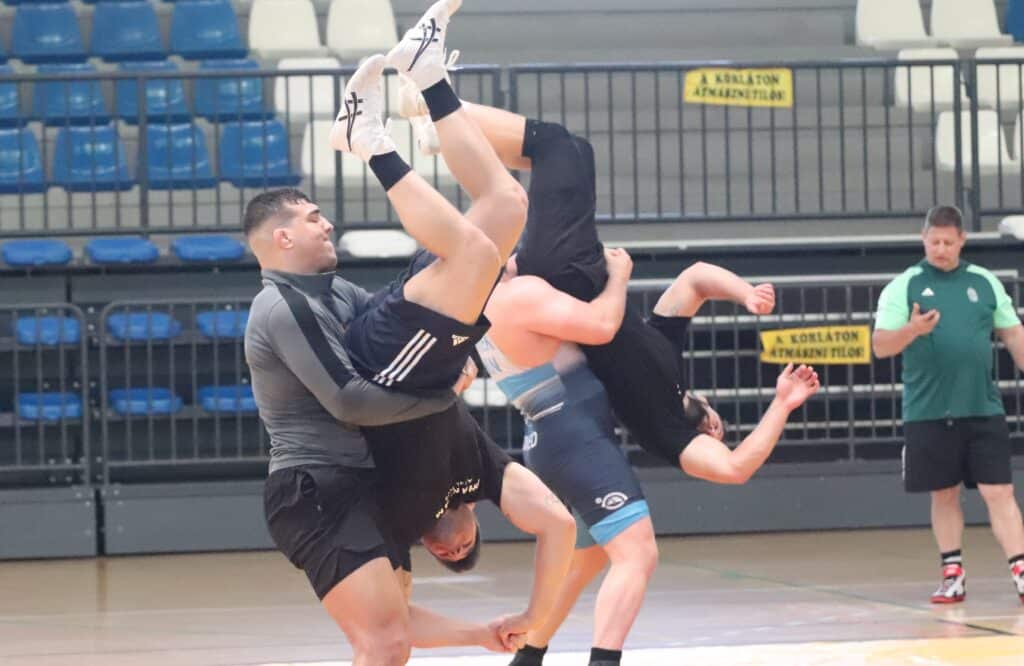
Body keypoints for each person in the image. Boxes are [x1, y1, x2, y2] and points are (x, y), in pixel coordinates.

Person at [396, 94, 821, 664]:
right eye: (719, 425)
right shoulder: (667, 365)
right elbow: (695, 279)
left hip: (569, 388)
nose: (717, 427)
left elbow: (735, 466)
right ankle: (443, 120)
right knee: (604, 555)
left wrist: (784, 401)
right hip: (566, 400)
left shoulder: (669, 428)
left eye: (715, 430)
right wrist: (745, 295)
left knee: (557, 147)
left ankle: (441, 113)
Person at [872, 205, 1024, 605]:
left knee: (1000, 491)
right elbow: (881, 345)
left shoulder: (984, 282)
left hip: (982, 406)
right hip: (929, 410)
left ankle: (1021, 571)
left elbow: (1013, 335)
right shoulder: (904, 286)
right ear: (923, 239)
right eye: (934, 241)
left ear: (962, 241)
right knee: (943, 493)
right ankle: (952, 574)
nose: (940, 249)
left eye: (948, 242)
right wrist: (912, 329)